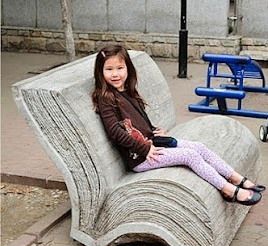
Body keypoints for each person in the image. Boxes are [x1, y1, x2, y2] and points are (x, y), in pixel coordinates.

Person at [92, 45, 265, 206]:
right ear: (100, 72)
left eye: (120, 68)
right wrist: (143, 148)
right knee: (190, 156)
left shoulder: (127, 91)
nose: (115, 74)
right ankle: (228, 190)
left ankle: (235, 178)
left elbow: (136, 118)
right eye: (109, 69)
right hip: (140, 157)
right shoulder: (105, 98)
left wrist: (152, 130)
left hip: (152, 143)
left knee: (199, 147)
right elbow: (114, 131)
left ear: (128, 68)